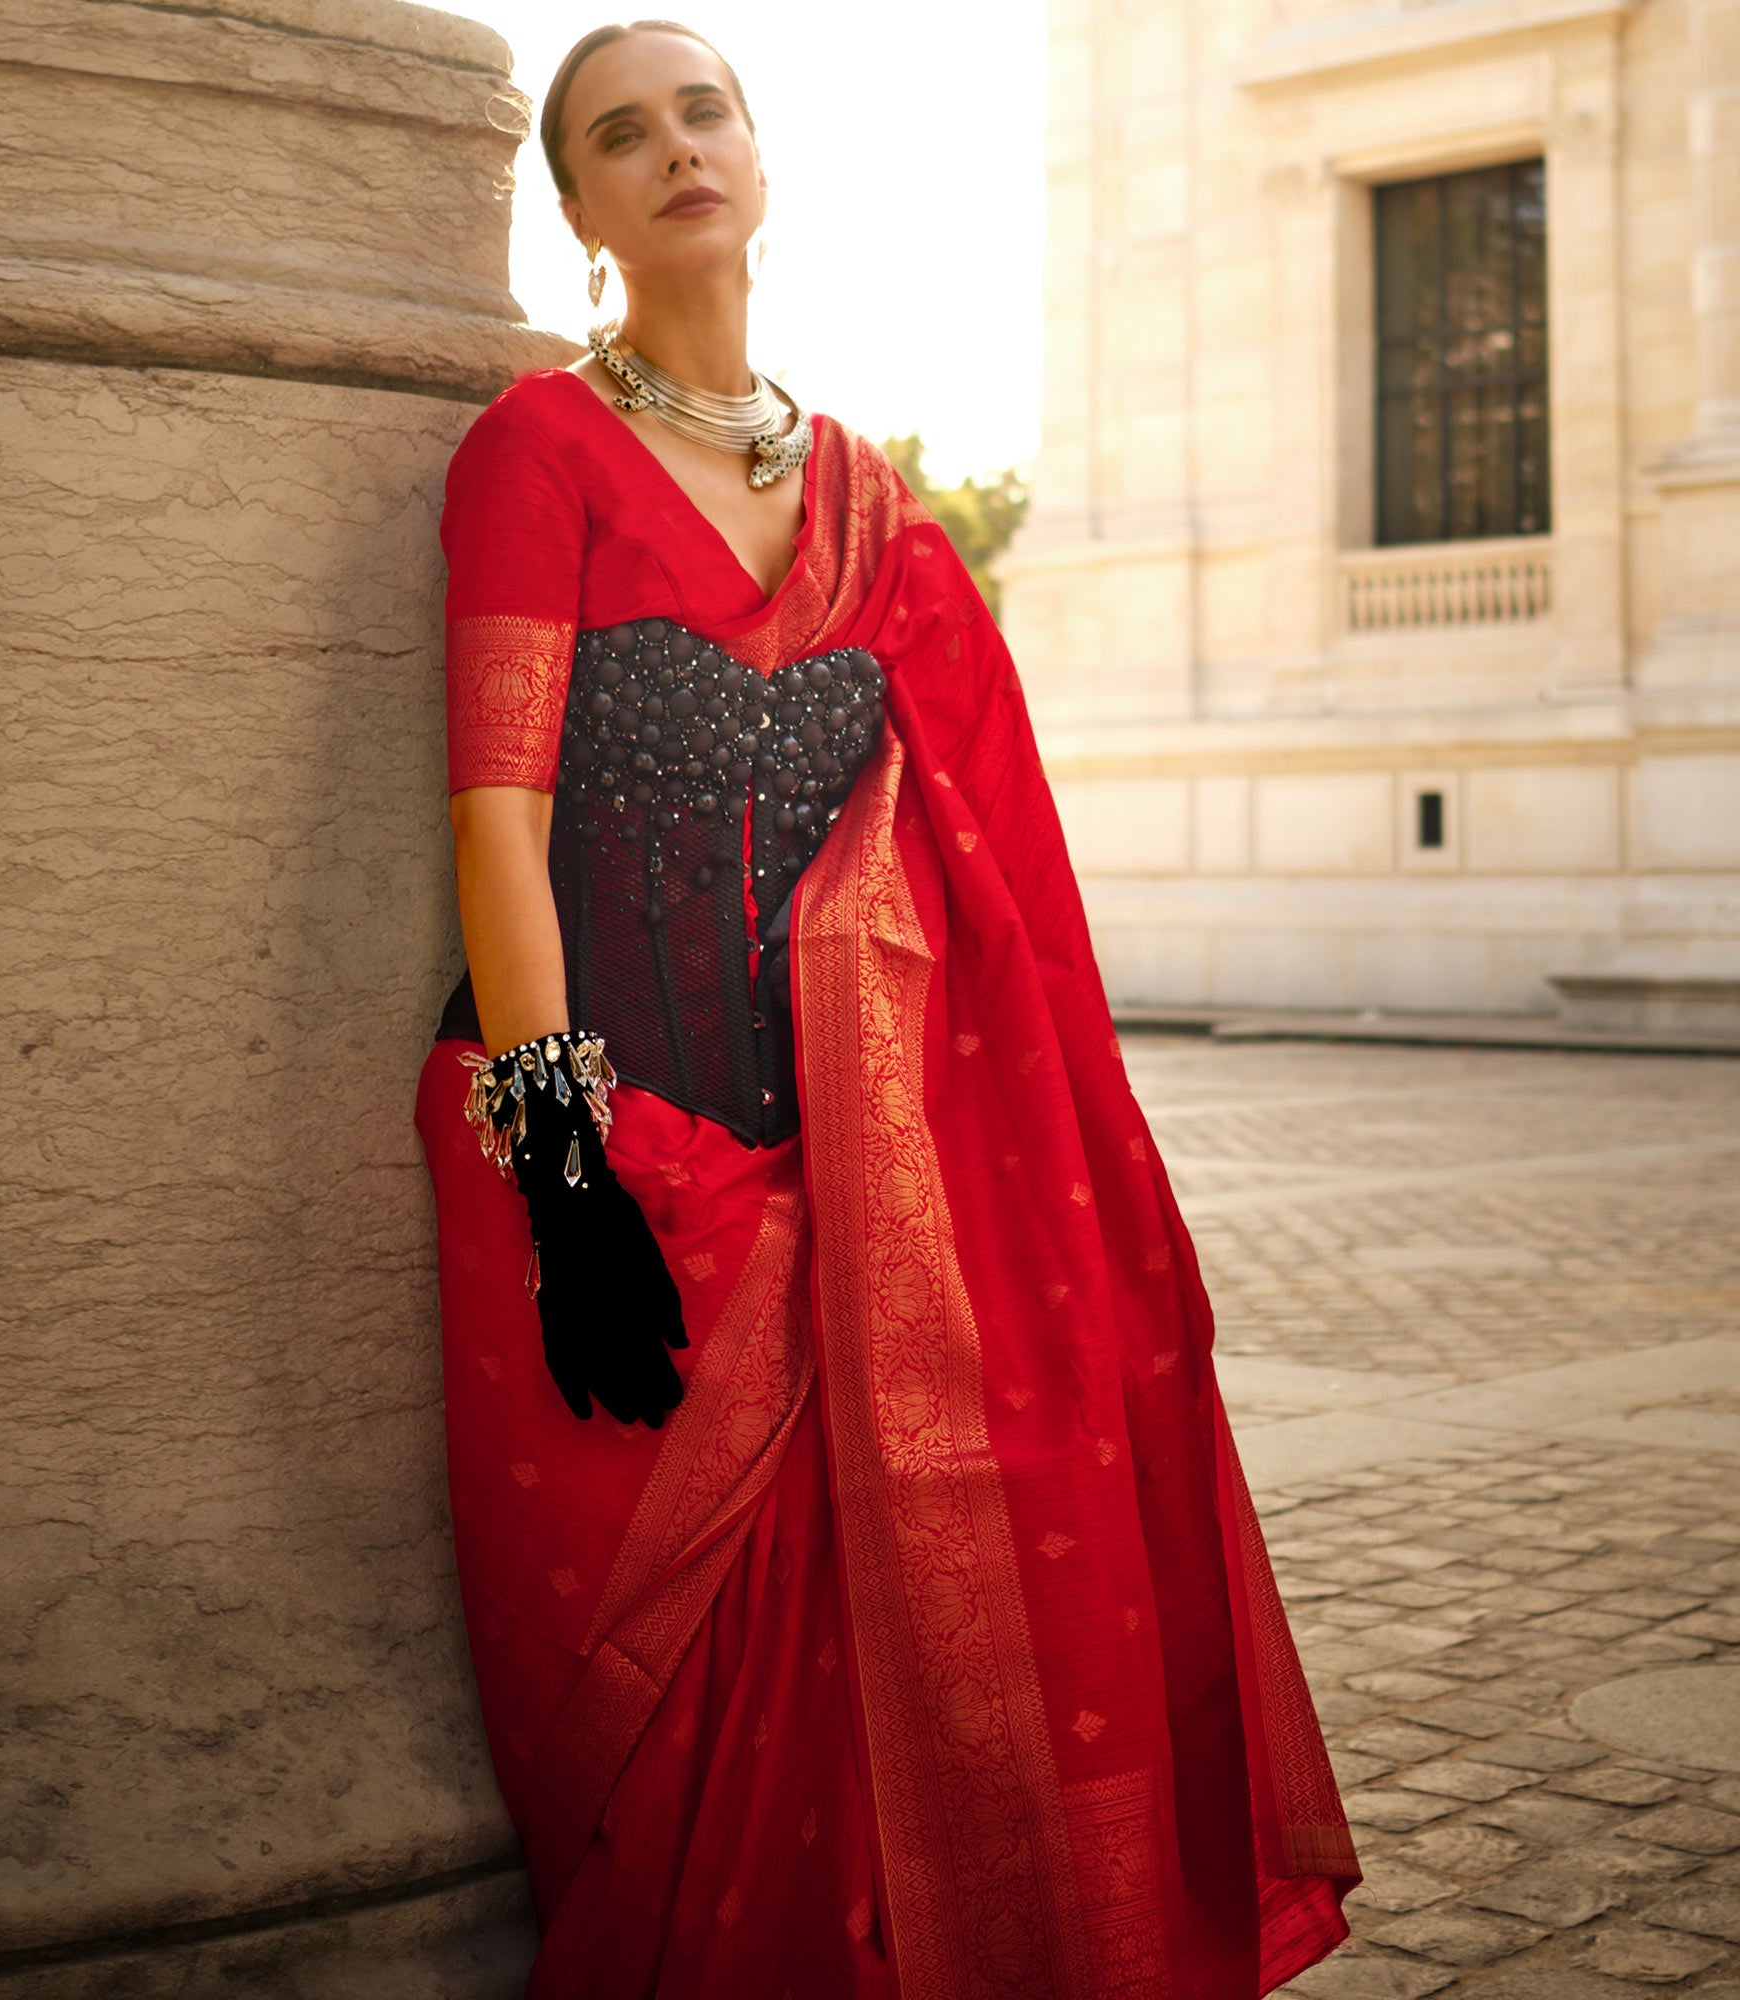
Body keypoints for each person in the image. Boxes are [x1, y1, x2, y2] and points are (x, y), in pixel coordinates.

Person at [410, 20, 1360, 1997]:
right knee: (667, 1720)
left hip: (860, 1186)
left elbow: (983, 869)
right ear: (579, 213)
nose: (676, 148)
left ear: (761, 159)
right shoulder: (535, 453)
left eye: (705, 112)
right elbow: (498, 818)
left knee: (896, 1695)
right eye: (621, 134)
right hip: (610, 1160)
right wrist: (567, 1171)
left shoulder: (876, 506)